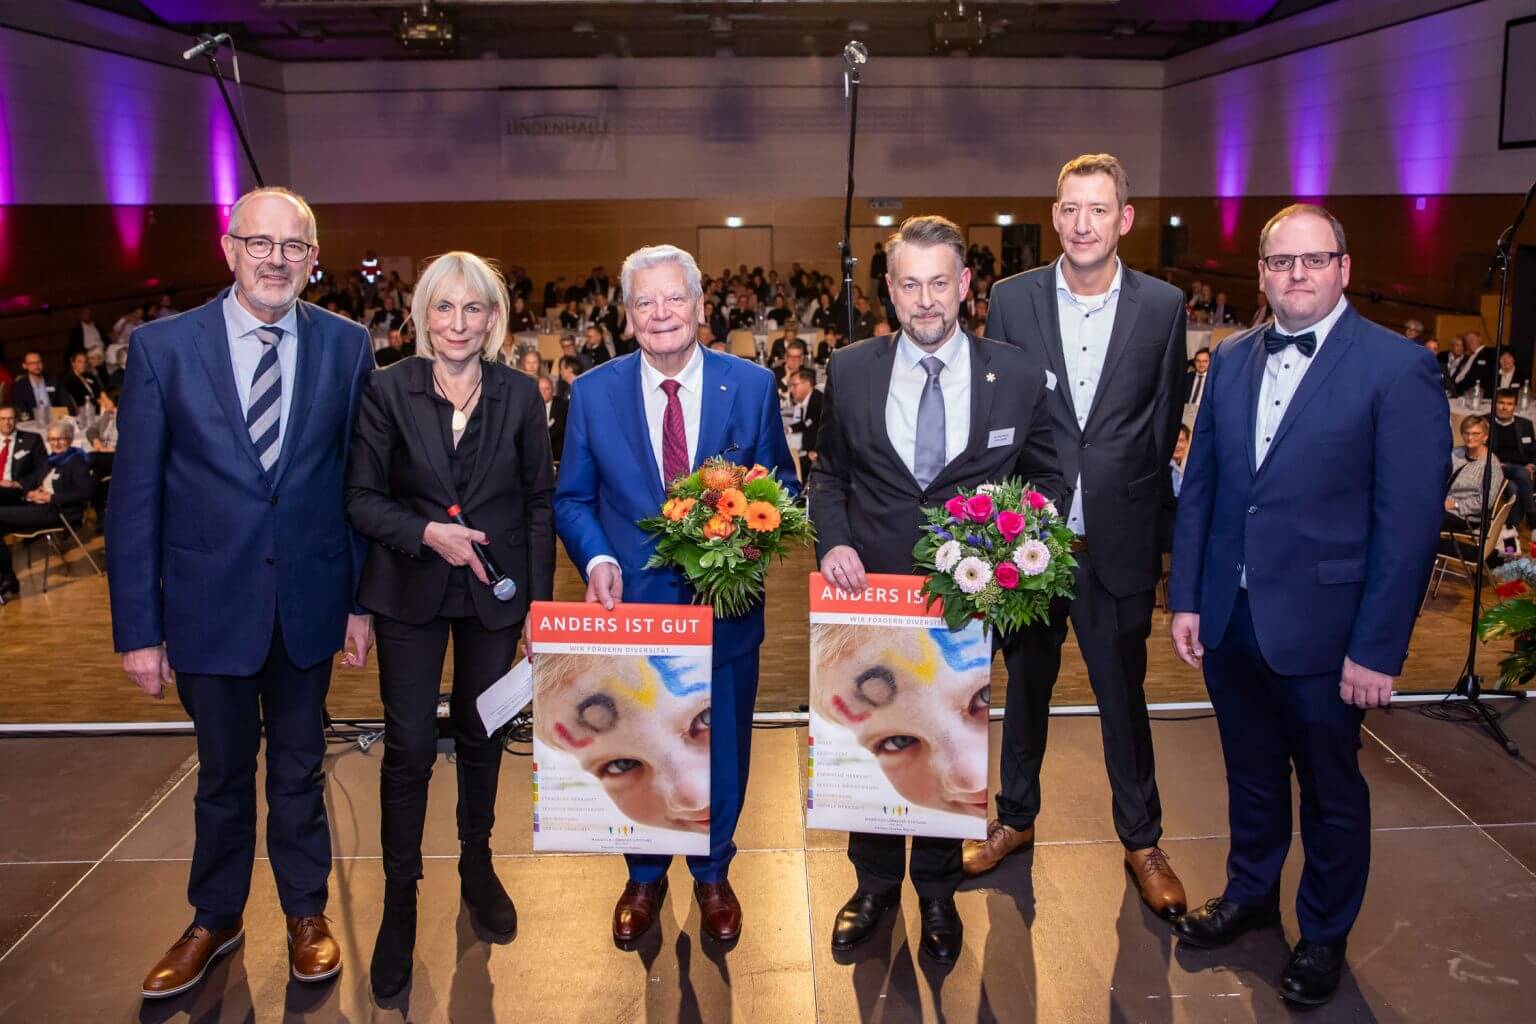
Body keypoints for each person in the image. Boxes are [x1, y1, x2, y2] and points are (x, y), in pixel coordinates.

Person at [1168, 203, 1449, 1006]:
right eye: (1282, 261)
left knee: (1329, 790)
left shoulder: (1398, 367)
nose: (1297, 274)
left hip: (1330, 632)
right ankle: (1252, 893)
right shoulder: (1231, 357)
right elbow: (1204, 488)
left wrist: (1378, 649)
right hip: (1230, 617)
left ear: (1344, 268)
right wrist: (1188, 596)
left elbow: (1407, 528)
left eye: (1314, 259)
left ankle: (1323, 933)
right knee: (1250, 774)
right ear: (1261, 273)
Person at [107, 186, 373, 1001]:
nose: (275, 260)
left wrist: (359, 603)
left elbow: (360, 485)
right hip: (206, 608)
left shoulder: (347, 346)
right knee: (221, 777)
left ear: (313, 258)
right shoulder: (162, 349)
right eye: (259, 243)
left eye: (293, 246)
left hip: (307, 606)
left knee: (299, 772)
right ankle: (215, 919)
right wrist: (139, 629)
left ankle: (306, 914)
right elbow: (135, 497)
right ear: (229, 249)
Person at [810, 215, 1062, 964]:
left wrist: (1016, 548)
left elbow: (1047, 477)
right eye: (910, 284)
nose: (925, 300)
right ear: (890, 290)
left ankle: (938, 892)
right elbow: (830, 474)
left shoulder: (1017, 375)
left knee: (951, 744)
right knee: (876, 736)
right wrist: (835, 542)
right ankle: (874, 885)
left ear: (965, 286)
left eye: (940, 283)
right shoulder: (850, 369)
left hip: (968, 605)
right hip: (871, 594)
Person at [554, 243, 797, 948]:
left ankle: (713, 870)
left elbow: (781, 486)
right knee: (637, 744)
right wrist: (598, 556)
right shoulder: (592, 392)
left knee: (722, 748)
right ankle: (644, 873)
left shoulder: (749, 385)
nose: (660, 313)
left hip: (725, 613)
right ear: (627, 315)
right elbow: (571, 498)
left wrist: (747, 537)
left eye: (673, 298)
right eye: (645, 302)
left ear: (699, 306)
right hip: (631, 612)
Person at [976, 153, 1190, 919]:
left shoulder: (1163, 305)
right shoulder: (1012, 299)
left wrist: (1149, 530)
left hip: (1117, 539)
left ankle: (1143, 839)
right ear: (1054, 214)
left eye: (1098, 209)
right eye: (1069, 208)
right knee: (1024, 688)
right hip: (1030, 538)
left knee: (1122, 696)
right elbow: (1000, 415)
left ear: (1123, 218)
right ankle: (1015, 818)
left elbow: (1162, 420)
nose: (1082, 223)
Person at [345, 251, 554, 999]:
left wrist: (537, 606)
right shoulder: (386, 389)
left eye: (473, 309)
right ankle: (400, 898)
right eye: (444, 307)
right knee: (406, 747)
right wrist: (428, 533)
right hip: (408, 589)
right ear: (422, 315)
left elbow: (538, 502)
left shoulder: (520, 393)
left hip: (496, 597)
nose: (458, 323)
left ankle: (476, 861)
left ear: (493, 318)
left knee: (482, 731)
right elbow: (360, 498)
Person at [0, 421, 95, 595]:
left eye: (61, 439)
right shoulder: (50, 461)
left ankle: (7, 577)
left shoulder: (76, 461)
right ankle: (7, 577)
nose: (56, 443)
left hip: (58, 511)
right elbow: (33, 480)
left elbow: (88, 492)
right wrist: (27, 492)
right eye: (52, 439)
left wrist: (51, 497)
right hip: (37, 505)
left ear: (70, 439)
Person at [1444, 414, 1505, 538]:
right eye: (1466, 433)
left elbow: (1486, 501)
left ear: (1485, 437)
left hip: (1465, 515)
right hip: (1441, 503)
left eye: (1475, 434)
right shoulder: (1456, 453)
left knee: (1424, 517)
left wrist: (1455, 504)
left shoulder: (1491, 465)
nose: (1470, 437)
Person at [1488, 390, 1535, 530]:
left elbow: (1534, 449)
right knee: (1521, 473)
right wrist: (1495, 462)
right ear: (1494, 404)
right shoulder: (1485, 422)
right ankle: (1533, 518)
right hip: (1497, 467)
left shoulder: (1525, 424)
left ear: (1515, 406)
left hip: (1521, 471)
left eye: (1509, 404)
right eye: (1501, 403)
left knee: (1514, 487)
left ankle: (1511, 531)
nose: (1504, 407)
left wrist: (1532, 465)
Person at [785, 367, 823, 483]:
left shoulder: (820, 402)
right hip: (809, 451)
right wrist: (789, 428)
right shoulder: (810, 399)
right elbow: (807, 422)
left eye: (794, 385)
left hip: (817, 456)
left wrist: (817, 451)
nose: (791, 390)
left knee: (787, 465)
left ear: (807, 384)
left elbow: (830, 429)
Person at [12, 351, 68, 425]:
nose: (36, 365)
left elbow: (65, 403)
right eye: (32, 363)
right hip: (33, 424)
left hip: (56, 421)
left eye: (39, 362)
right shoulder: (19, 386)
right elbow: (21, 411)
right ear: (24, 366)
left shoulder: (53, 380)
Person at [1452, 331, 1495, 396]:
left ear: (1480, 339)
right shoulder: (1467, 357)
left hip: (1473, 394)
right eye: (1467, 340)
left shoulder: (1489, 353)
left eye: (1472, 338)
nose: (1469, 342)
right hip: (1456, 392)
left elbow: (1479, 376)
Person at [540, 374, 567, 461]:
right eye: (540, 389)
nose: (543, 392)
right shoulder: (530, 407)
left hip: (557, 454)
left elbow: (560, 429)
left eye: (547, 389)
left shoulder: (563, 406)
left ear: (553, 390)